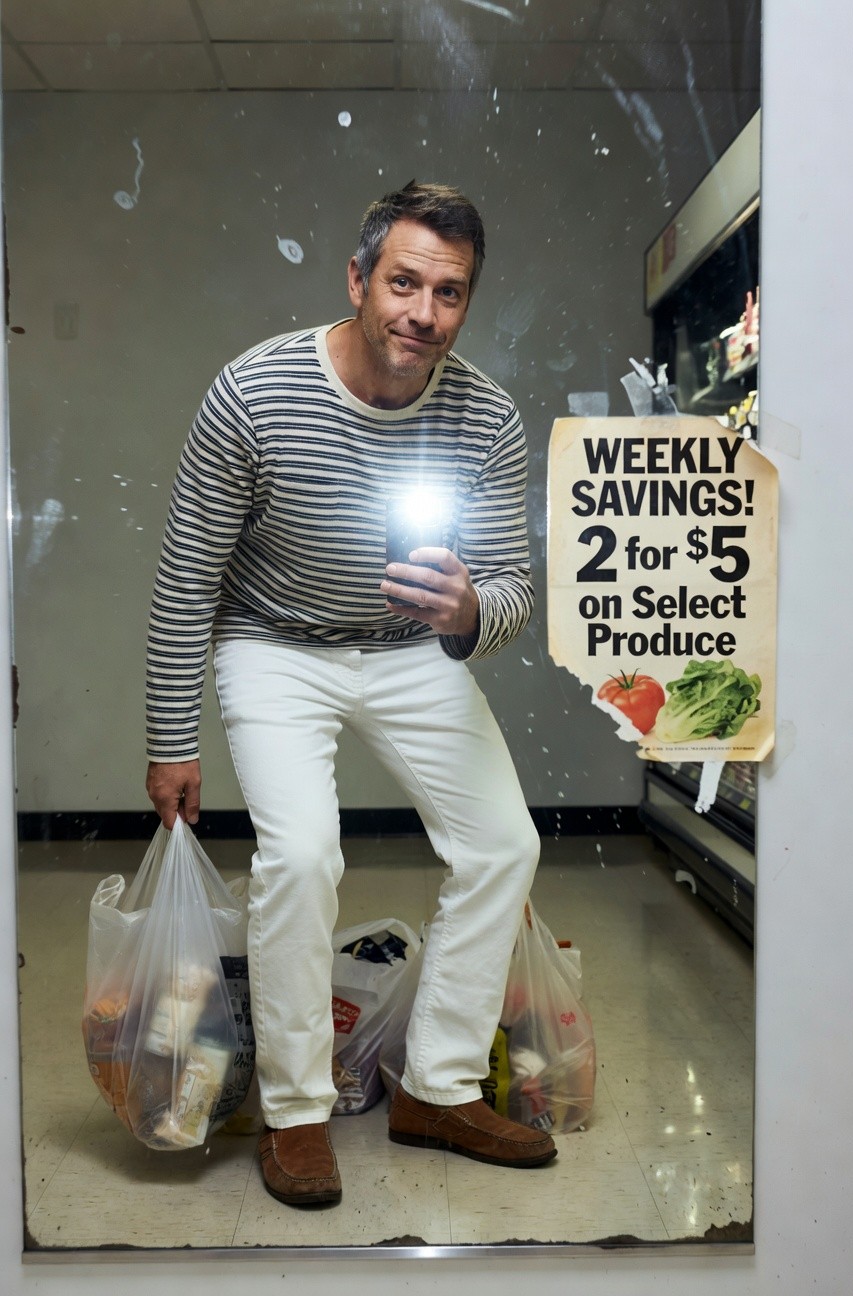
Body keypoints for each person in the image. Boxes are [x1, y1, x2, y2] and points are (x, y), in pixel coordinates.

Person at [145, 180, 556, 1207]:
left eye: (449, 293)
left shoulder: (487, 415)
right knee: (299, 856)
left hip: (412, 646)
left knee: (504, 844)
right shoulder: (255, 393)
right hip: (273, 643)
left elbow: (513, 589)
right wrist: (170, 737)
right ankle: (294, 1112)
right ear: (358, 280)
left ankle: (439, 1089)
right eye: (404, 283)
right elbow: (188, 575)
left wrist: (469, 610)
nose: (423, 313)